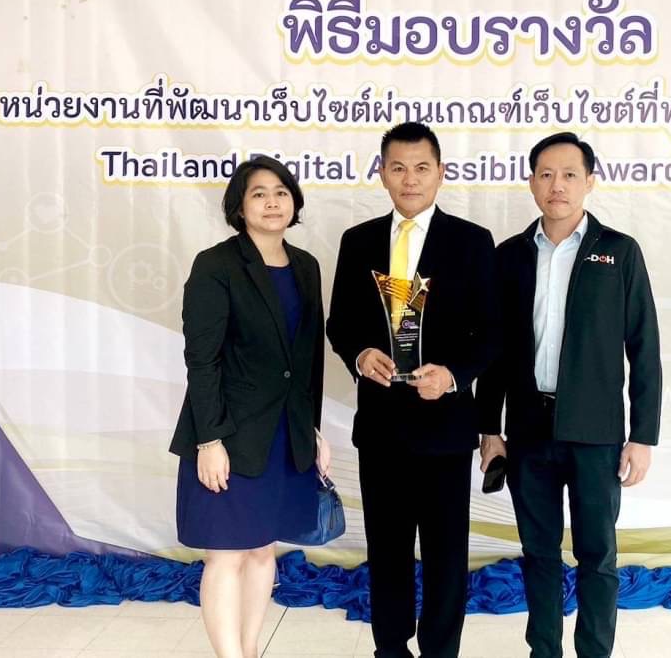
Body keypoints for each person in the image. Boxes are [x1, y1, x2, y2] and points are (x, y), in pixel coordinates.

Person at [477, 132, 662, 658]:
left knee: (597, 555)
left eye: (569, 175)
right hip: (528, 429)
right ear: (532, 182)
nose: (557, 185)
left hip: (596, 432)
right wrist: (490, 428)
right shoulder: (509, 256)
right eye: (546, 174)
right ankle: (544, 651)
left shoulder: (619, 252)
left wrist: (642, 436)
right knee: (538, 553)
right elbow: (494, 350)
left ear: (590, 182)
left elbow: (644, 346)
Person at [327, 123, 497, 658]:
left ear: (441, 173)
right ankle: (391, 649)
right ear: (382, 173)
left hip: (446, 429)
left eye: (422, 168)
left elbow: (492, 332)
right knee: (388, 554)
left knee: (447, 555)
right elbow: (340, 323)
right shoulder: (358, 241)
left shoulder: (472, 241)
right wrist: (360, 355)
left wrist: (453, 375)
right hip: (382, 429)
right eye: (397, 168)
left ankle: (441, 651)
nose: (410, 179)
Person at [169, 155, 332, 658]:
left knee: (263, 550)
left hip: (286, 435)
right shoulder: (216, 265)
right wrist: (209, 440)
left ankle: (251, 648)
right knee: (226, 555)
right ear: (240, 207)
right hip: (229, 434)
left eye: (281, 192)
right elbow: (202, 359)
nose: (272, 202)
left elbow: (307, 361)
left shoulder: (305, 266)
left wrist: (312, 431)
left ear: (294, 202)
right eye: (259, 193)